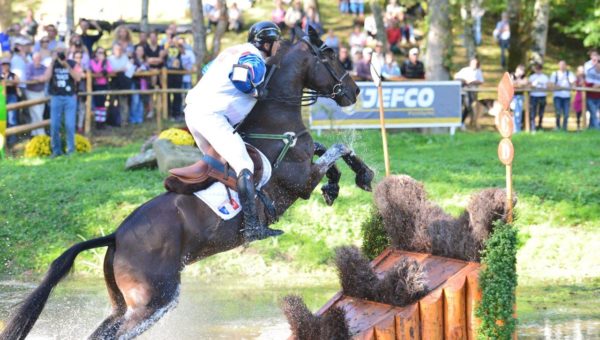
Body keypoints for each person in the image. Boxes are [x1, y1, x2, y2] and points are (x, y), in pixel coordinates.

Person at [184, 21, 284, 241]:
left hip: (192, 113)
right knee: (244, 165)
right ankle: (251, 227)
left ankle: (221, 211)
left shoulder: (233, 50)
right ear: (266, 43)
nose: (278, 45)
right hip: (212, 117)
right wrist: (255, 91)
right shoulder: (255, 59)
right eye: (277, 41)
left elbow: (206, 69)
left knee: (221, 165)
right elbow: (240, 78)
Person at [45, 47, 83, 157]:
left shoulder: (72, 63)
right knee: (55, 125)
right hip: (56, 97)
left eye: (63, 51)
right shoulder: (53, 64)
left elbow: (78, 78)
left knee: (69, 125)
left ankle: (71, 151)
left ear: (67, 53)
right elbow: (46, 78)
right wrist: (52, 62)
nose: (61, 54)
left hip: (69, 97)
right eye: (58, 52)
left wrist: (67, 66)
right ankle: (56, 151)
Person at [454, 57, 484, 124]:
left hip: (471, 92)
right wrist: (464, 81)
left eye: (476, 63)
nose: (474, 64)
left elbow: (481, 81)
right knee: (460, 105)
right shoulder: (465, 70)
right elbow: (456, 77)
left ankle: (462, 122)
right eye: (473, 63)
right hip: (462, 90)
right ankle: (457, 121)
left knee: (468, 106)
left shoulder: (478, 72)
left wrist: (473, 82)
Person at [108, 44, 132, 125]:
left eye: (120, 49)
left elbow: (128, 68)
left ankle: (124, 121)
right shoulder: (110, 59)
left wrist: (118, 70)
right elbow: (110, 70)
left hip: (123, 82)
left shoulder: (125, 57)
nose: (118, 51)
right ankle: (111, 120)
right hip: (113, 82)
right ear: (113, 50)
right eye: (117, 49)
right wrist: (119, 70)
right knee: (112, 101)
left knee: (123, 102)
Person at [89, 47, 112, 128]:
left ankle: (102, 121)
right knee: (97, 104)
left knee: (102, 104)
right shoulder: (92, 61)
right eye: (99, 52)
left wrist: (104, 62)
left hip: (104, 85)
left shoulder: (107, 61)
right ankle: (97, 121)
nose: (100, 54)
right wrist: (101, 61)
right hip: (96, 85)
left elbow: (109, 70)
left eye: (102, 52)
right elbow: (96, 70)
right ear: (95, 53)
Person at [549, 60, 575, 131]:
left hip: (567, 97)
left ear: (566, 66)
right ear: (558, 66)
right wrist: (558, 86)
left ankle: (564, 128)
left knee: (566, 113)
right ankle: (558, 126)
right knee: (558, 112)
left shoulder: (569, 74)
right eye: (561, 65)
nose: (562, 66)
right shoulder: (555, 74)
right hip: (557, 96)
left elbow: (573, 84)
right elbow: (551, 84)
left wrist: (568, 86)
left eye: (563, 65)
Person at [25, 52, 47, 136]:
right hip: (31, 92)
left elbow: (47, 75)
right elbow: (28, 78)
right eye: (36, 58)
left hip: (41, 92)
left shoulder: (43, 67)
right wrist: (38, 78)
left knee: (38, 113)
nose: (38, 60)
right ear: (33, 59)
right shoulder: (29, 66)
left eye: (39, 58)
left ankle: (34, 133)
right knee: (36, 113)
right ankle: (42, 134)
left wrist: (43, 78)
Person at [1, 57, 20, 144]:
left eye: (7, 64)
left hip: (12, 96)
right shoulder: (1, 75)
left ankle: (12, 140)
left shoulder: (13, 75)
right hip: (2, 98)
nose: (5, 66)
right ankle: (4, 140)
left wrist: (6, 82)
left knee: (12, 117)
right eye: (3, 64)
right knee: (3, 119)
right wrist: (8, 82)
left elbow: (17, 82)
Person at [130, 45, 148, 124]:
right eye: (138, 50)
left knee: (141, 101)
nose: (140, 52)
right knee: (135, 101)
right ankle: (133, 119)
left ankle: (139, 118)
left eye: (141, 50)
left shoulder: (145, 61)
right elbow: (131, 71)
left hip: (143, 84)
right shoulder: (132, 60)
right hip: (134, 83)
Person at [528, 63, 549, 131]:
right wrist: (533, 85)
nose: (538, 70)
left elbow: (548, 86)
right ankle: (533, 126)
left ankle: (540, 125)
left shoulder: (545, 77)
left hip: (542, 96)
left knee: (541, 112)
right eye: (537, 69)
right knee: (533, 112)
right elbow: (528, 85)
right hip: (534, 96)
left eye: (539, 69)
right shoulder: (532, 77)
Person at [510, 64, 528, 133]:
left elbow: (525, 82)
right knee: (513, 113)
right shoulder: (512, 75)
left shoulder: (524, 77)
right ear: (517, 69)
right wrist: (519, 83)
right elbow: (511, 83)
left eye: (523, 70)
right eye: (521, 70)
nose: (523, 72)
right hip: (512, 97)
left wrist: (517, 83)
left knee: (518, 114)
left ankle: (517, 130)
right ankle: (512, 129)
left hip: (520, 97)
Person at [585, 59, 600, 129]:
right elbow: (589, 85)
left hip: (599, 96)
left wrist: (597, 85)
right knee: (593, 112)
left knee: (594, 113)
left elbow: (596, 85)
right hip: (590, 96)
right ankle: (597, 128)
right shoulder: (590, 71)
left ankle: (591, 128)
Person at [573, 66, 585, 131]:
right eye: (580, 70)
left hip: (586, 97)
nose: (581, 72)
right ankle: (578, 127)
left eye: (582, 70)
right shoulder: (576, 79)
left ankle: (586, 127)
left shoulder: (586, 78)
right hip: (578, 97)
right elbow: (574, 87)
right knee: (578, 113)